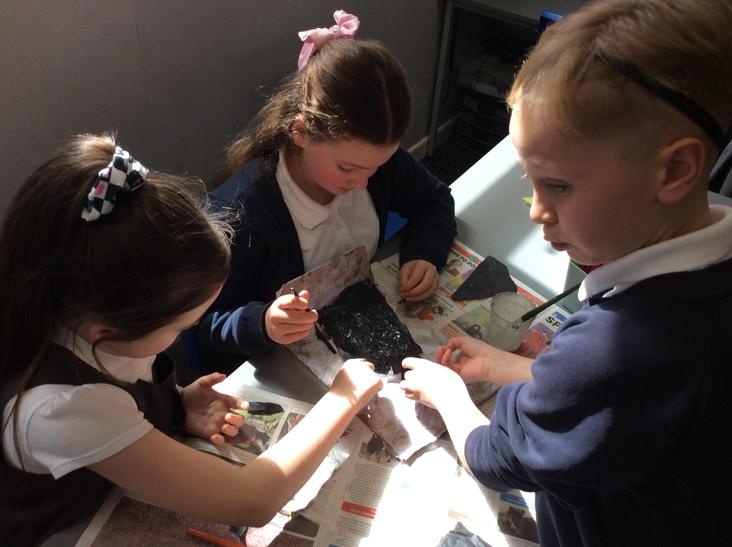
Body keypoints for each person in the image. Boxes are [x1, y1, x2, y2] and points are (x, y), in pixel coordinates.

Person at [399, 1, 732, 545]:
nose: (536, 211)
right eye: (530, 181)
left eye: (557, 185)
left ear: (675, 169)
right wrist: (502, 364)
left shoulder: (620, 351)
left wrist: (448, 395)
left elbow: (498, 457)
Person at [0, 134, 383, 546]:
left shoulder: (90, 316)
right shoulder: (60, 409)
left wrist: (176, 404)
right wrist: (342, 399)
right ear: (108, 331)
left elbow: (126, 388)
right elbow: (253, 499)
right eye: (180, 327)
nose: (186, 333)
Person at [196, 11, 457, 371]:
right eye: (347, 169)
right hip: (280, 363)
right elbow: (204, 322)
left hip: (359, 323)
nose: (363, 183)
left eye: (375, 168)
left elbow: (434, 200)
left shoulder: (372, 160)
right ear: (300, 132)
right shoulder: (242, 211)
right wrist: (263, 323)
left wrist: (424, 254)